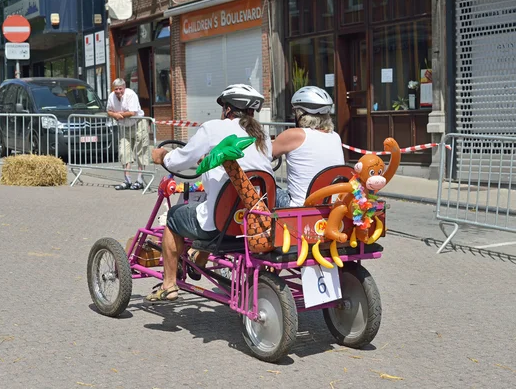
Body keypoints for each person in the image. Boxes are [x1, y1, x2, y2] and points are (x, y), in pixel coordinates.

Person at [148, 84, 273, 302]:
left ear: (227, 109)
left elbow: (179, 160)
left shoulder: (213, 128)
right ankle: (200, 259)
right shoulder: (263, 136)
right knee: (212, 205)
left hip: (221, 225)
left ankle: (168, 284)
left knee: (175, 217)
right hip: (254, 222)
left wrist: (162, 156)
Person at [273, 86, 345, 207]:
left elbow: (262, 156)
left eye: (295, 111)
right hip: (330, 204)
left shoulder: (294, 134)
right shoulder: (335, 136)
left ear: (301, 114)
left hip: (300, 207)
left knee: (264, 187)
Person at [106, 78, 149, 190]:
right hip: (124, 126)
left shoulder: (131, 94)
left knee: (141, 151)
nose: (118, 91)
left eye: (120, 89)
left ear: (124, 88)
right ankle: (127, 179)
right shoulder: (111, 97)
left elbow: (132, 112)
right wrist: (114, 115)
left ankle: (140, 180)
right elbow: (109, 111)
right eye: (116, 89)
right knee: (124, 151)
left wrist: (119, 114)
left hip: (138, 123)